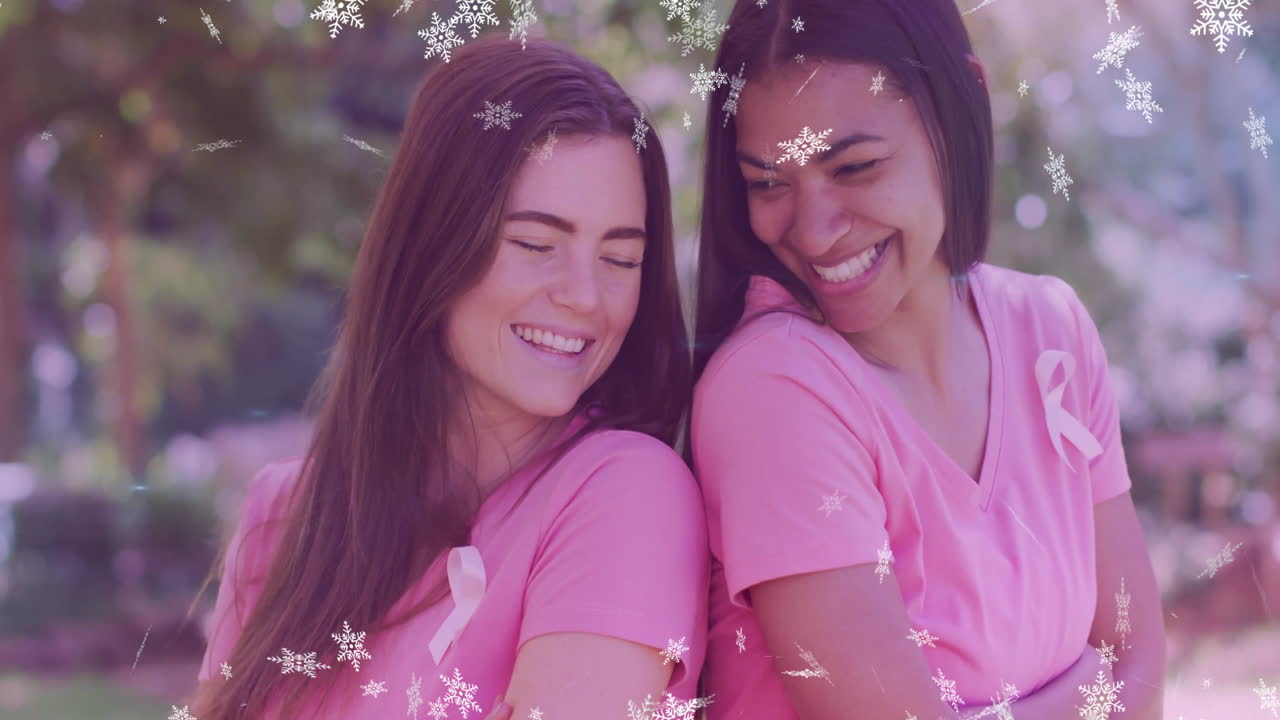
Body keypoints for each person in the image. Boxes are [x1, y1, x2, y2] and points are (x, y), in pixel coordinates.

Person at [186, 34, 708, 720]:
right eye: (536, 245)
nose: (585, 296)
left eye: (620, 258)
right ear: (434, 241)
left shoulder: (628, 497)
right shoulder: (283, 517)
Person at [688, 1, 1164, 718]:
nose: (815, 232)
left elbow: (1143, 669)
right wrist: (1087, 693)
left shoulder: (1051, 333)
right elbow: (1120, 685)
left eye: (855, 166)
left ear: (959, 103)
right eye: (768, 183)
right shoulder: (774, 392)